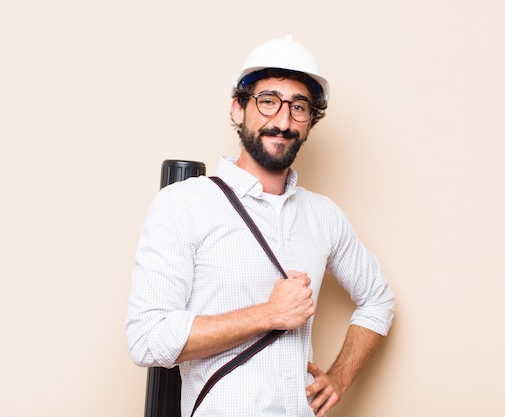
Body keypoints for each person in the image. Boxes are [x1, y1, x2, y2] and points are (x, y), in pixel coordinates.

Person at [126, 35, 395, 417]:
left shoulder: (323, 215)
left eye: (298, 108)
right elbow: (147, 340)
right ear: (238, 109)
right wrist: (268, 314)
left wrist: (339, 377)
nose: (282, 122)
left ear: (309, 123)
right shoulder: (184, 204)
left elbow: (378, 299)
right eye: (268, 101)